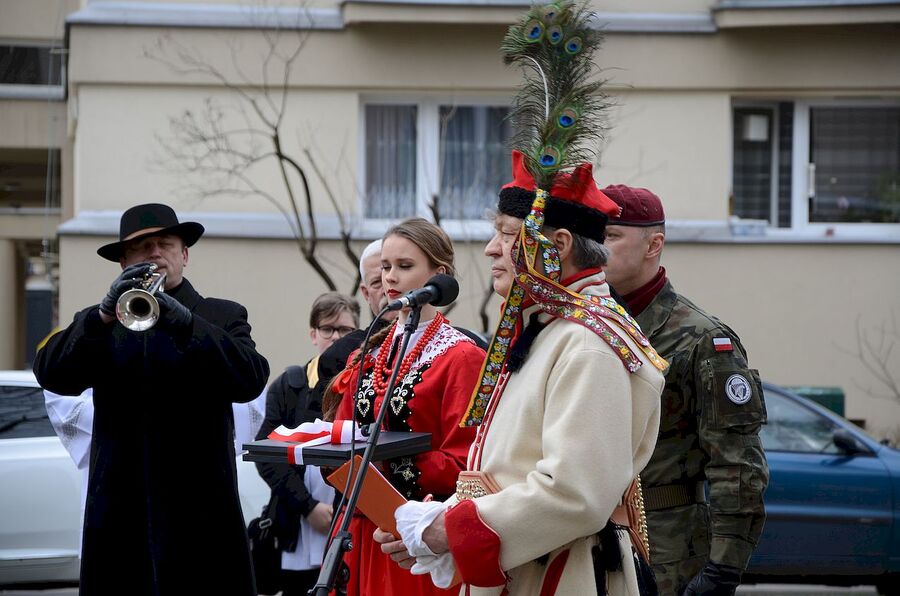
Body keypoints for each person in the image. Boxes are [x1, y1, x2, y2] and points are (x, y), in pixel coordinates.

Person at [33, 202, 270, 596]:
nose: (155, 253)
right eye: (142, 247)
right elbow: (51, 373)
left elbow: (251, 378)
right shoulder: (101, 322)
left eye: (165, 244)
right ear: (123, 262)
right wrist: (101, 316)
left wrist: (188, 324)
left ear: (184, 255)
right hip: (120, 515)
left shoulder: (221, 315)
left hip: (201, 511)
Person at [600, 184, 769, 596]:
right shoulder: (586, 325)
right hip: (586, 537)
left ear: (653, 245)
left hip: (667, 546)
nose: (596, 248)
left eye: (611, 236)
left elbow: (737, 466)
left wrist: (722, 570)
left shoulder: (702, 340)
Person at [325, 217, 485, 595]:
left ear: (439, 276)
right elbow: (341, 436)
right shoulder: (369, 356)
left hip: (421, 538)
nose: (391, 277)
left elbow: (467, 463)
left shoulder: (462, 357)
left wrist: (383, 464)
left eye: (405, 265)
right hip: (361, 530)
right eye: (385, 266)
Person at [254, 291, 362, 596]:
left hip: (350, 522)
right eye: (327, 329)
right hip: (298, 527)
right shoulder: (290, 385)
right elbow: (267, 454)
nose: (335, 337)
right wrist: (308, 506)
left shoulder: (369, 384)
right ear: (313, 334)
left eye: (345, 330)